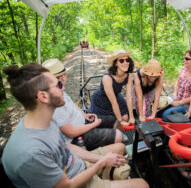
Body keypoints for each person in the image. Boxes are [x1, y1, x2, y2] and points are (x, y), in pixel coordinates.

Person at [1, 63, 149, 188]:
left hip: (76, 165)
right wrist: (102, 162)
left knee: (120, 147)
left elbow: (67, 147)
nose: (63, 88)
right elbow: (68, 186)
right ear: (43, 97)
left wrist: (98, 160)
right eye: (58, 85)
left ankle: (109, 175)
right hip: (75, 181)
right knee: (143, 184)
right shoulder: (31, 153)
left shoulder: (45, 120)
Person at [42, 58, 124, 151]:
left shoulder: (58, 89)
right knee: (119, 135)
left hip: (83, 122)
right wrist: (94, 125)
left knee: (115, 120)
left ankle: (109, 142)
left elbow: (72, 104)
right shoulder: (55, 104)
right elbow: (71, 133)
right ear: (63, 77)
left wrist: (84, 114)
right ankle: (108, 148)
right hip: (77, 137)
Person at [88, 49, 135, 128]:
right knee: (117, 119)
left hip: (116, 95)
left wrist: (132, 116)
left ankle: (118, 134)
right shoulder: (107, 78)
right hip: (102, 99)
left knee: (126, 117)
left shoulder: (128, 75)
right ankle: (115, 135)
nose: (125, 63)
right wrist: (121, 121)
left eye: (127, 60)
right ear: (116, 63)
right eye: (121, 61)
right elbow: (114, 103)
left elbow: (129, 97)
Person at [162, 50, 191, 122]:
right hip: (177, 98)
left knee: (166, 115)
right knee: (160, 107)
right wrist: (175, 95)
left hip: (187, 104)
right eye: (184, 58)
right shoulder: (183, 70)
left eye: (187, 59)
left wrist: (179, 103)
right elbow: (177, 84)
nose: (184, 60)